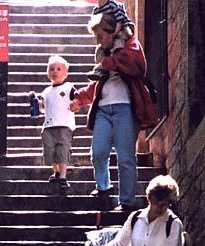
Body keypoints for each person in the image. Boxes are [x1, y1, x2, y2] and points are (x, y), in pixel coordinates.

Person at [70, 13, 157, 212]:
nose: (98, 42)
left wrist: (106, 63)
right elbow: (97, 86)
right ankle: (103, 187)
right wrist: (79, 99)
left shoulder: (130, 45)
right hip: (103, 110)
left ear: (113, 32)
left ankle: (126, 201)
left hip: (125, 108)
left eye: (100, 36)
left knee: (126, 157)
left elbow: (135, 64)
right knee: (98, 152)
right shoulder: (105, 54)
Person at [28, 55, 76, 191]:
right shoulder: (46, 92)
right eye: (52, 69)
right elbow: (42, 108)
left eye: (59, 69)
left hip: (64, 125)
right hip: (48, 126)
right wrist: (35, 100)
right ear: (47, 73)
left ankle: (63, 176)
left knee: (62, 151)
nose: (55, 71)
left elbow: (76, 97)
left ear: (66, 73)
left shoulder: (68, 87)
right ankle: (56, 171)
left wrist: (76, 103)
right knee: (50, 151)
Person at [88, 0, 135, 80]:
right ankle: (100, 71)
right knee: (100, 50)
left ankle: (117, 63)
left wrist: (113, 34)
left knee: (118, 42)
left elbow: (120, 20)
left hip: (120, 29)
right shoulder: (96, 10)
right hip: (107, 30)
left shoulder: (112, 5)